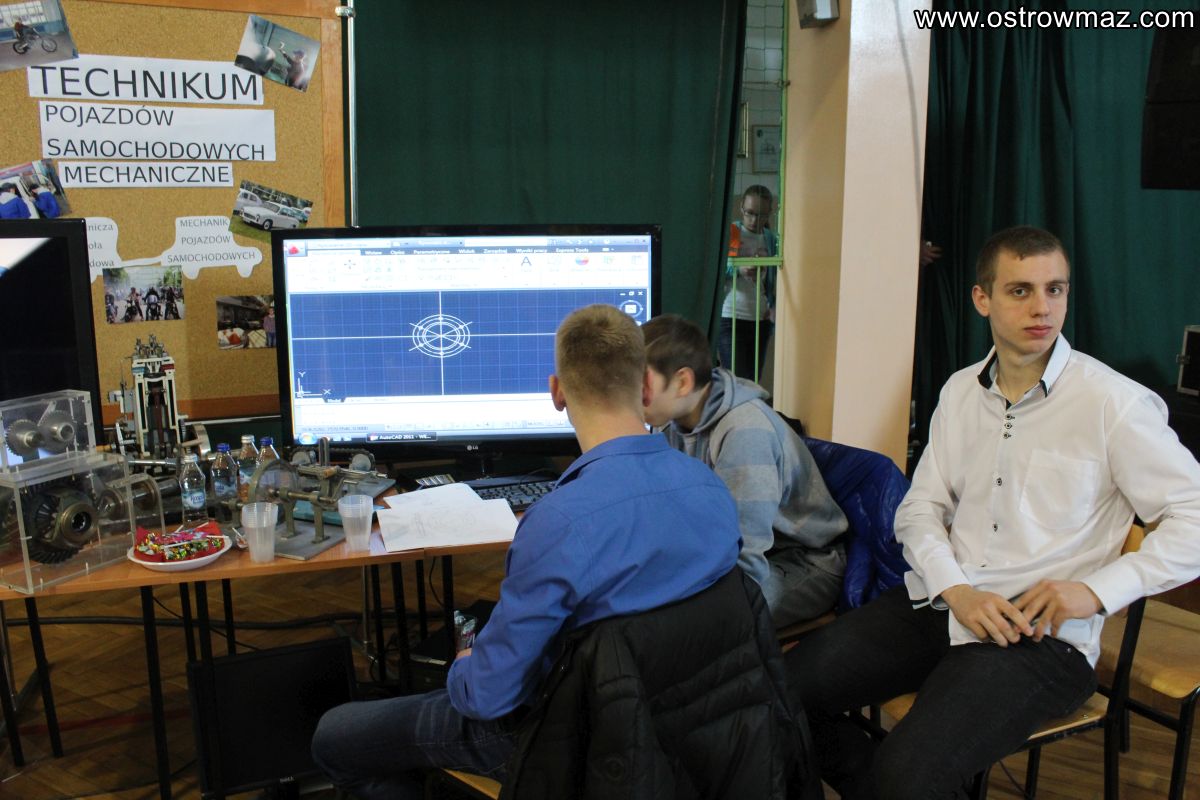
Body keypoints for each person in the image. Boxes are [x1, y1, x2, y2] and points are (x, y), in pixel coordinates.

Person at [784, 225, 1200, 799]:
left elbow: (1194, 517)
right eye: (1020, 290)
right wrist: (956, 590)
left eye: (1055, 289)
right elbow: (920, 509)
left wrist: (1098, 591)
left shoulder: (1114, 403)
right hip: (944, 601)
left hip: (1039, 638)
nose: (1042, 307)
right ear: (982, 299)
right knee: (780, 695)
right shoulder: (960, 392)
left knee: (908, 774)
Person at [311, 304, 743, 798]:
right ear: (647, 386)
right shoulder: (712, 491)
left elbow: (486, 698)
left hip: (567, 741)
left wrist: (464, 664)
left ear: (557, 392)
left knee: (334, 736)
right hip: (687, 734)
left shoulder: (559, 522)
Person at [642, 313, 847, 627]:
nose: (631, 395)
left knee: (694, 623)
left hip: (802, 562)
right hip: (729, 554)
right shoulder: (670, 422)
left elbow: (746, 556)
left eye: (641, 383)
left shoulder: (746, 432)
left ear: (682, 382)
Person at [719, 184, 777, 381]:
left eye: (761, 215)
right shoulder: (733, 232)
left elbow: (774, 278)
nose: (754, 220)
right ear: (742, 208)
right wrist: (739, 268)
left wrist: (773, 305)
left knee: (752, 382)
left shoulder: (770, 239)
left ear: (769, 213)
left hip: (760, 318)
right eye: (750, 213)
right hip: (731, 315)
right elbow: (717, 267)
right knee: (736, 381)